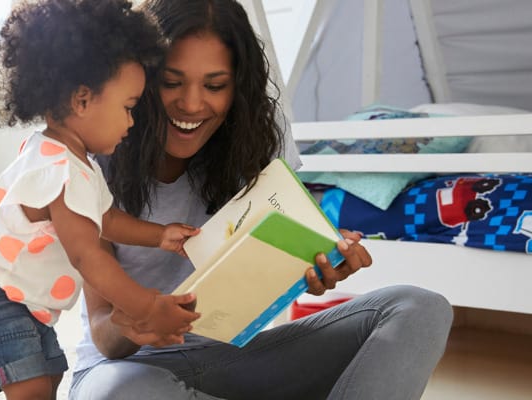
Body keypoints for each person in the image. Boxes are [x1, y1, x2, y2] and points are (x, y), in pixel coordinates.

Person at [68, 0, 454, 399]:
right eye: (171, 81)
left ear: (238, 88)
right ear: (141, 80)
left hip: (238, 361)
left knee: (419, 309)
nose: (192, 104)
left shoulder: (256, 140)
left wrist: (315, 266)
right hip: (129, 370)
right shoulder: (95, 154)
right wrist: (135, 323)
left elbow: (271, 272)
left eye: (215, 85)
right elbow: (104, 335)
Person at [0, 0, 205, 398]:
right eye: (128, 108)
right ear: (82, 101)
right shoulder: (60, 169)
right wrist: (146, 307)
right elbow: (88, 256)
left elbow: (106, 221)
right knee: (30, 388)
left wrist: (159, 235)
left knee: (49, 378)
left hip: (18, 296)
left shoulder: (76, 163)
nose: (133, 122)